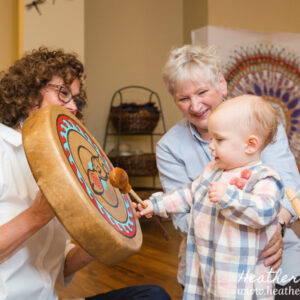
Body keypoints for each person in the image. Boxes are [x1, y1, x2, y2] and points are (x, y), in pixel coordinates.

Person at [0, 47, 171, 300]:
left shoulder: (64, 164)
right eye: (63, 94)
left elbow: (64, 266)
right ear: (28, 95)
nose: (72, 107)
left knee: (152, 295)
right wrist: (38, 215)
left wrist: (108, 227)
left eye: (76, 99)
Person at [156, 44, 300, 299]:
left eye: (202, 92)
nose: (196, 105)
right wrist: (242, 233)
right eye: (183, 98)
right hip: (209, 268)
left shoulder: (259, 122)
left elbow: (290, 186)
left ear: (221, 84)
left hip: (277, 256)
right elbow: (180, 216)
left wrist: (276, 227)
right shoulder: (169, 146)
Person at [137, 95, 284, 299]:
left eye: (219, 139)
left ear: (250, 145)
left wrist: (229, 196)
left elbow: (264, 211)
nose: (211, 146)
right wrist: (156, 204)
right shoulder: (213, 170)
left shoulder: (264, 178)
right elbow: (189, 194)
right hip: (207, 269)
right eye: (212, 138)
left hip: (241, 282)